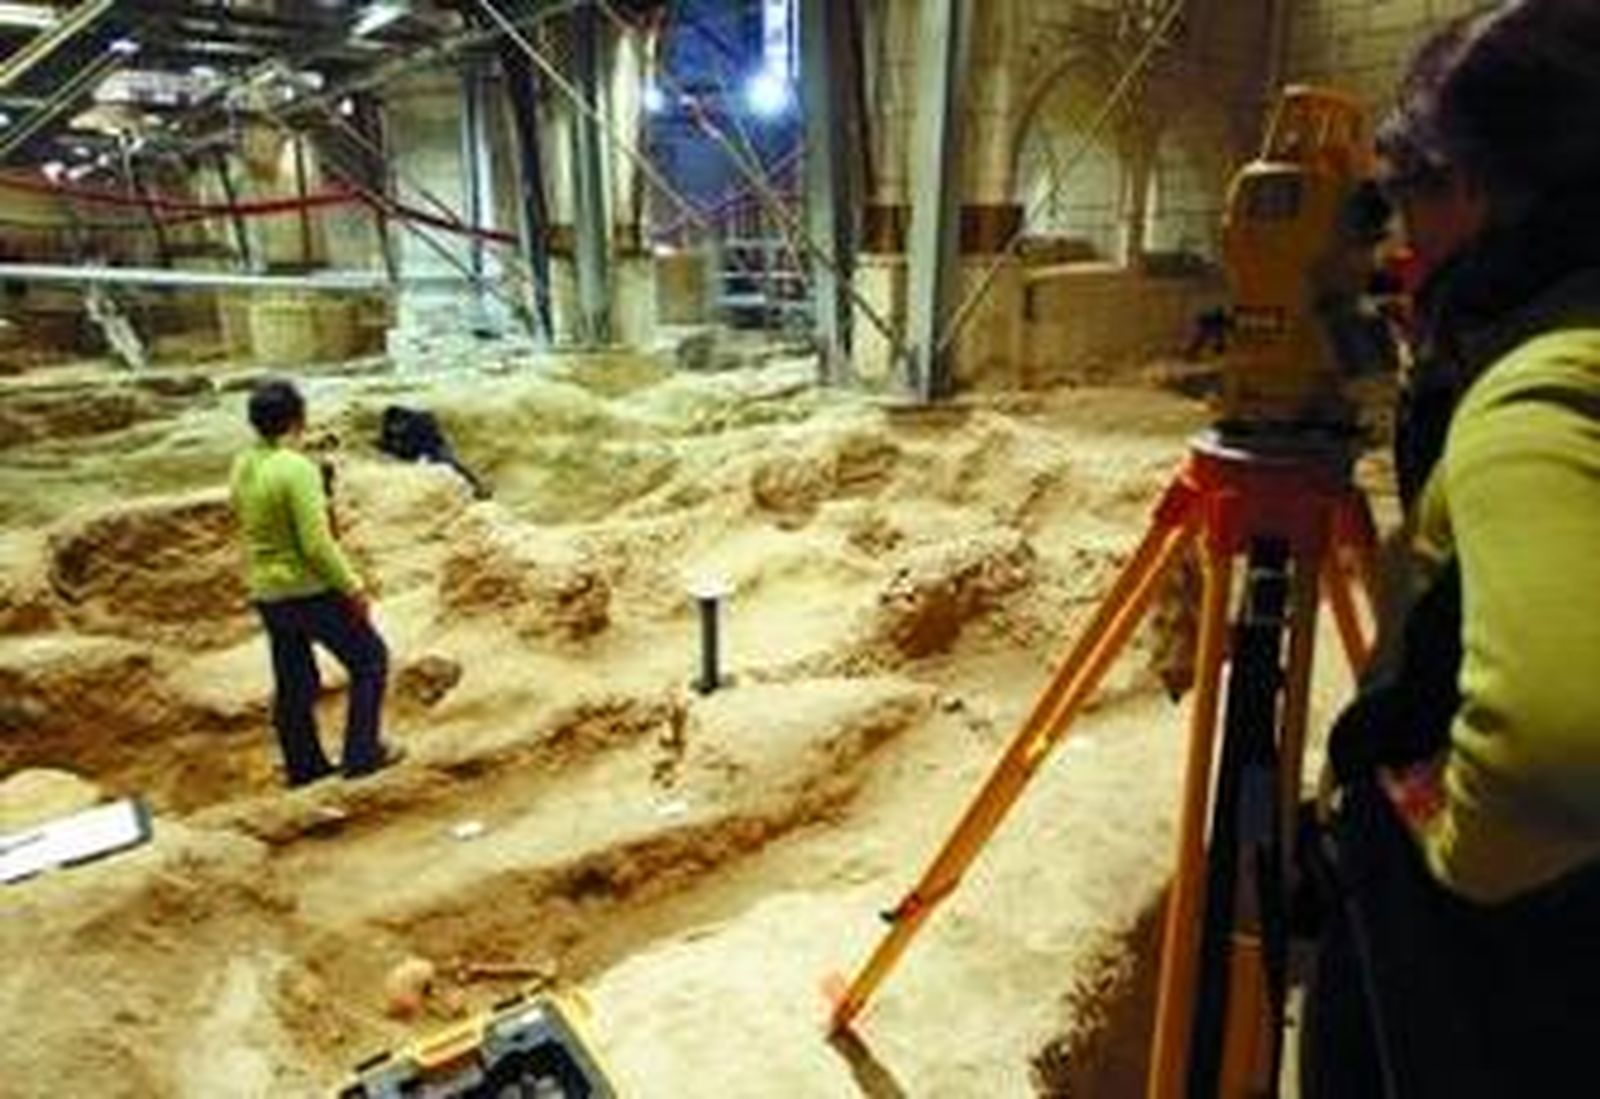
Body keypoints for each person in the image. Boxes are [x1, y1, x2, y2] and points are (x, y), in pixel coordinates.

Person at [1303, 3, 1600, 1097]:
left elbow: (1548, 755)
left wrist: (1434, 831)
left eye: (1410, 190)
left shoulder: (1535, 388)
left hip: (1510, 992)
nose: (1394, 234)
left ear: (1473, 188)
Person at [231, 379, 401, 788]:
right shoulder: (296, 469)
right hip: (308, 589)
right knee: (370, 660)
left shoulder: (244, 464)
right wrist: (352, 587)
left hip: (268, 591)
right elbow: (316, 542)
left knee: (295, 681)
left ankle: (304, 766)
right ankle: (362, 753)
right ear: (298, 419)